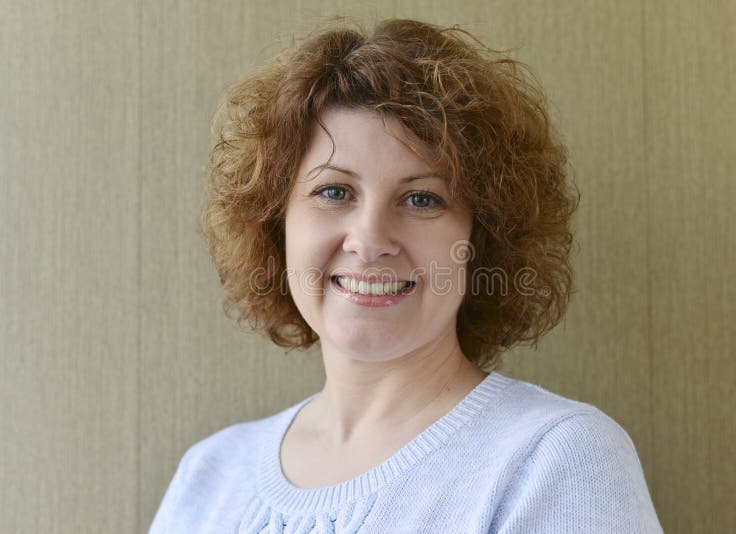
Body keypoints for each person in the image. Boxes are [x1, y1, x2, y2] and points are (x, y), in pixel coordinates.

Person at [149, 17, 663, 533]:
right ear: (276, 223)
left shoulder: (557, 460)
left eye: (421, 198)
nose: (370, 241)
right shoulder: (209, 475)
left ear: (480, 240)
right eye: (334, 192)